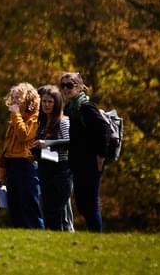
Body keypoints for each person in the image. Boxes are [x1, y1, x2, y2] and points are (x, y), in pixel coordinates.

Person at [60, 71, 111, 232]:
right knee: (82, 204)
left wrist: (101, 157)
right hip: (77, 162)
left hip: (90, 162)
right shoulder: (69, 107)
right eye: (63, 86)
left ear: (80, 87)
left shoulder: (86, 107)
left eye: (70, 85)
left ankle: (97, 236)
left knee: (90, 203)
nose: (66, 89)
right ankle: (93, 235)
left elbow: (104, 129)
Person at [0, 83, 43, 229]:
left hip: (27, 165)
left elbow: (24, 136)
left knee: (29, 205)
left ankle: (38, 234)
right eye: (13, 97)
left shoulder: (35, 119)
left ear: (28, 100)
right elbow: (7, 150)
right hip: (12, 165)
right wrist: (1, 176)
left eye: (18, 98)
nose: (14, 101)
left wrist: (16, 114)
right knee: (14, 206)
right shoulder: (15, 120)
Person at [33, 84, 74, 231]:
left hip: (61, 172)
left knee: (56, 211)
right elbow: (45, 149)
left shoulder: (63, 121)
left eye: (50, 102)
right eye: (44, 101)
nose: (47, 105)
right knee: (47, 211)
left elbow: (71, 143)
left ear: (56, 103)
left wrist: (48, 143)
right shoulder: (42, 123)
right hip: (45, 169)